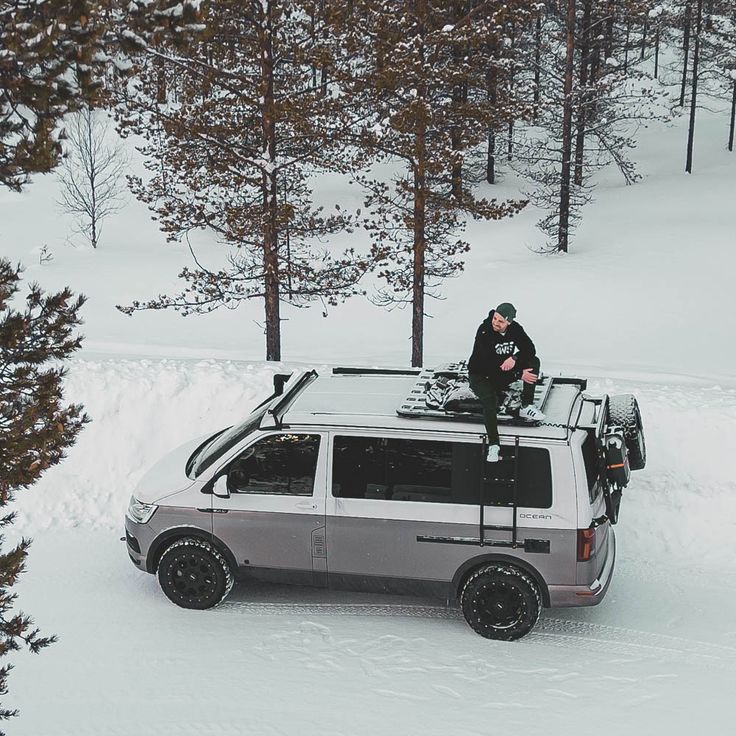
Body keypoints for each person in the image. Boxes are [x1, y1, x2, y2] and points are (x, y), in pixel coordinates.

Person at [467, 302, 545, 462]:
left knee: (533, 361)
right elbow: (487, 364)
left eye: (500, 321)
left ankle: (527, 405)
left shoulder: (515, 329)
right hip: (481, 375)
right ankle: (494, 445)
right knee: (490, 402)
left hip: (504, 370)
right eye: (495, 318)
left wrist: (514, 358)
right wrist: (518, 374)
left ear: (508, 322)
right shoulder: (484, 331)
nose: (495, 322)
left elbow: (530, 349)